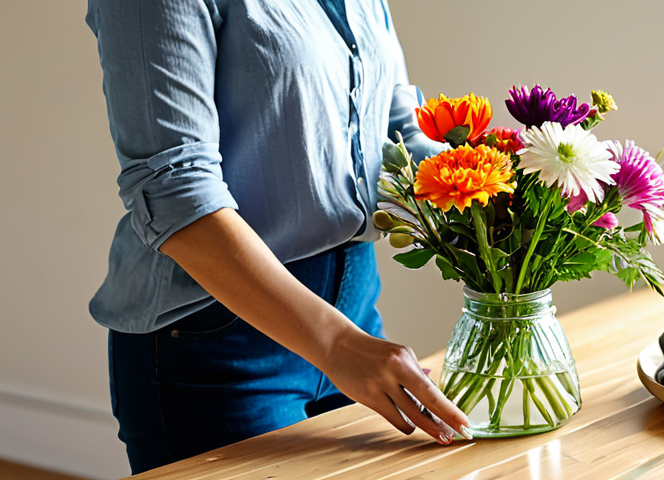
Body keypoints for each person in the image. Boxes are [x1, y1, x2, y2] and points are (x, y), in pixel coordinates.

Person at [84, 0, 470, 474]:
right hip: (217, 344)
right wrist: (335, 345)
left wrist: (511, 204)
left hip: (356, 311)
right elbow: (175, 191)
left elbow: (397, 128)